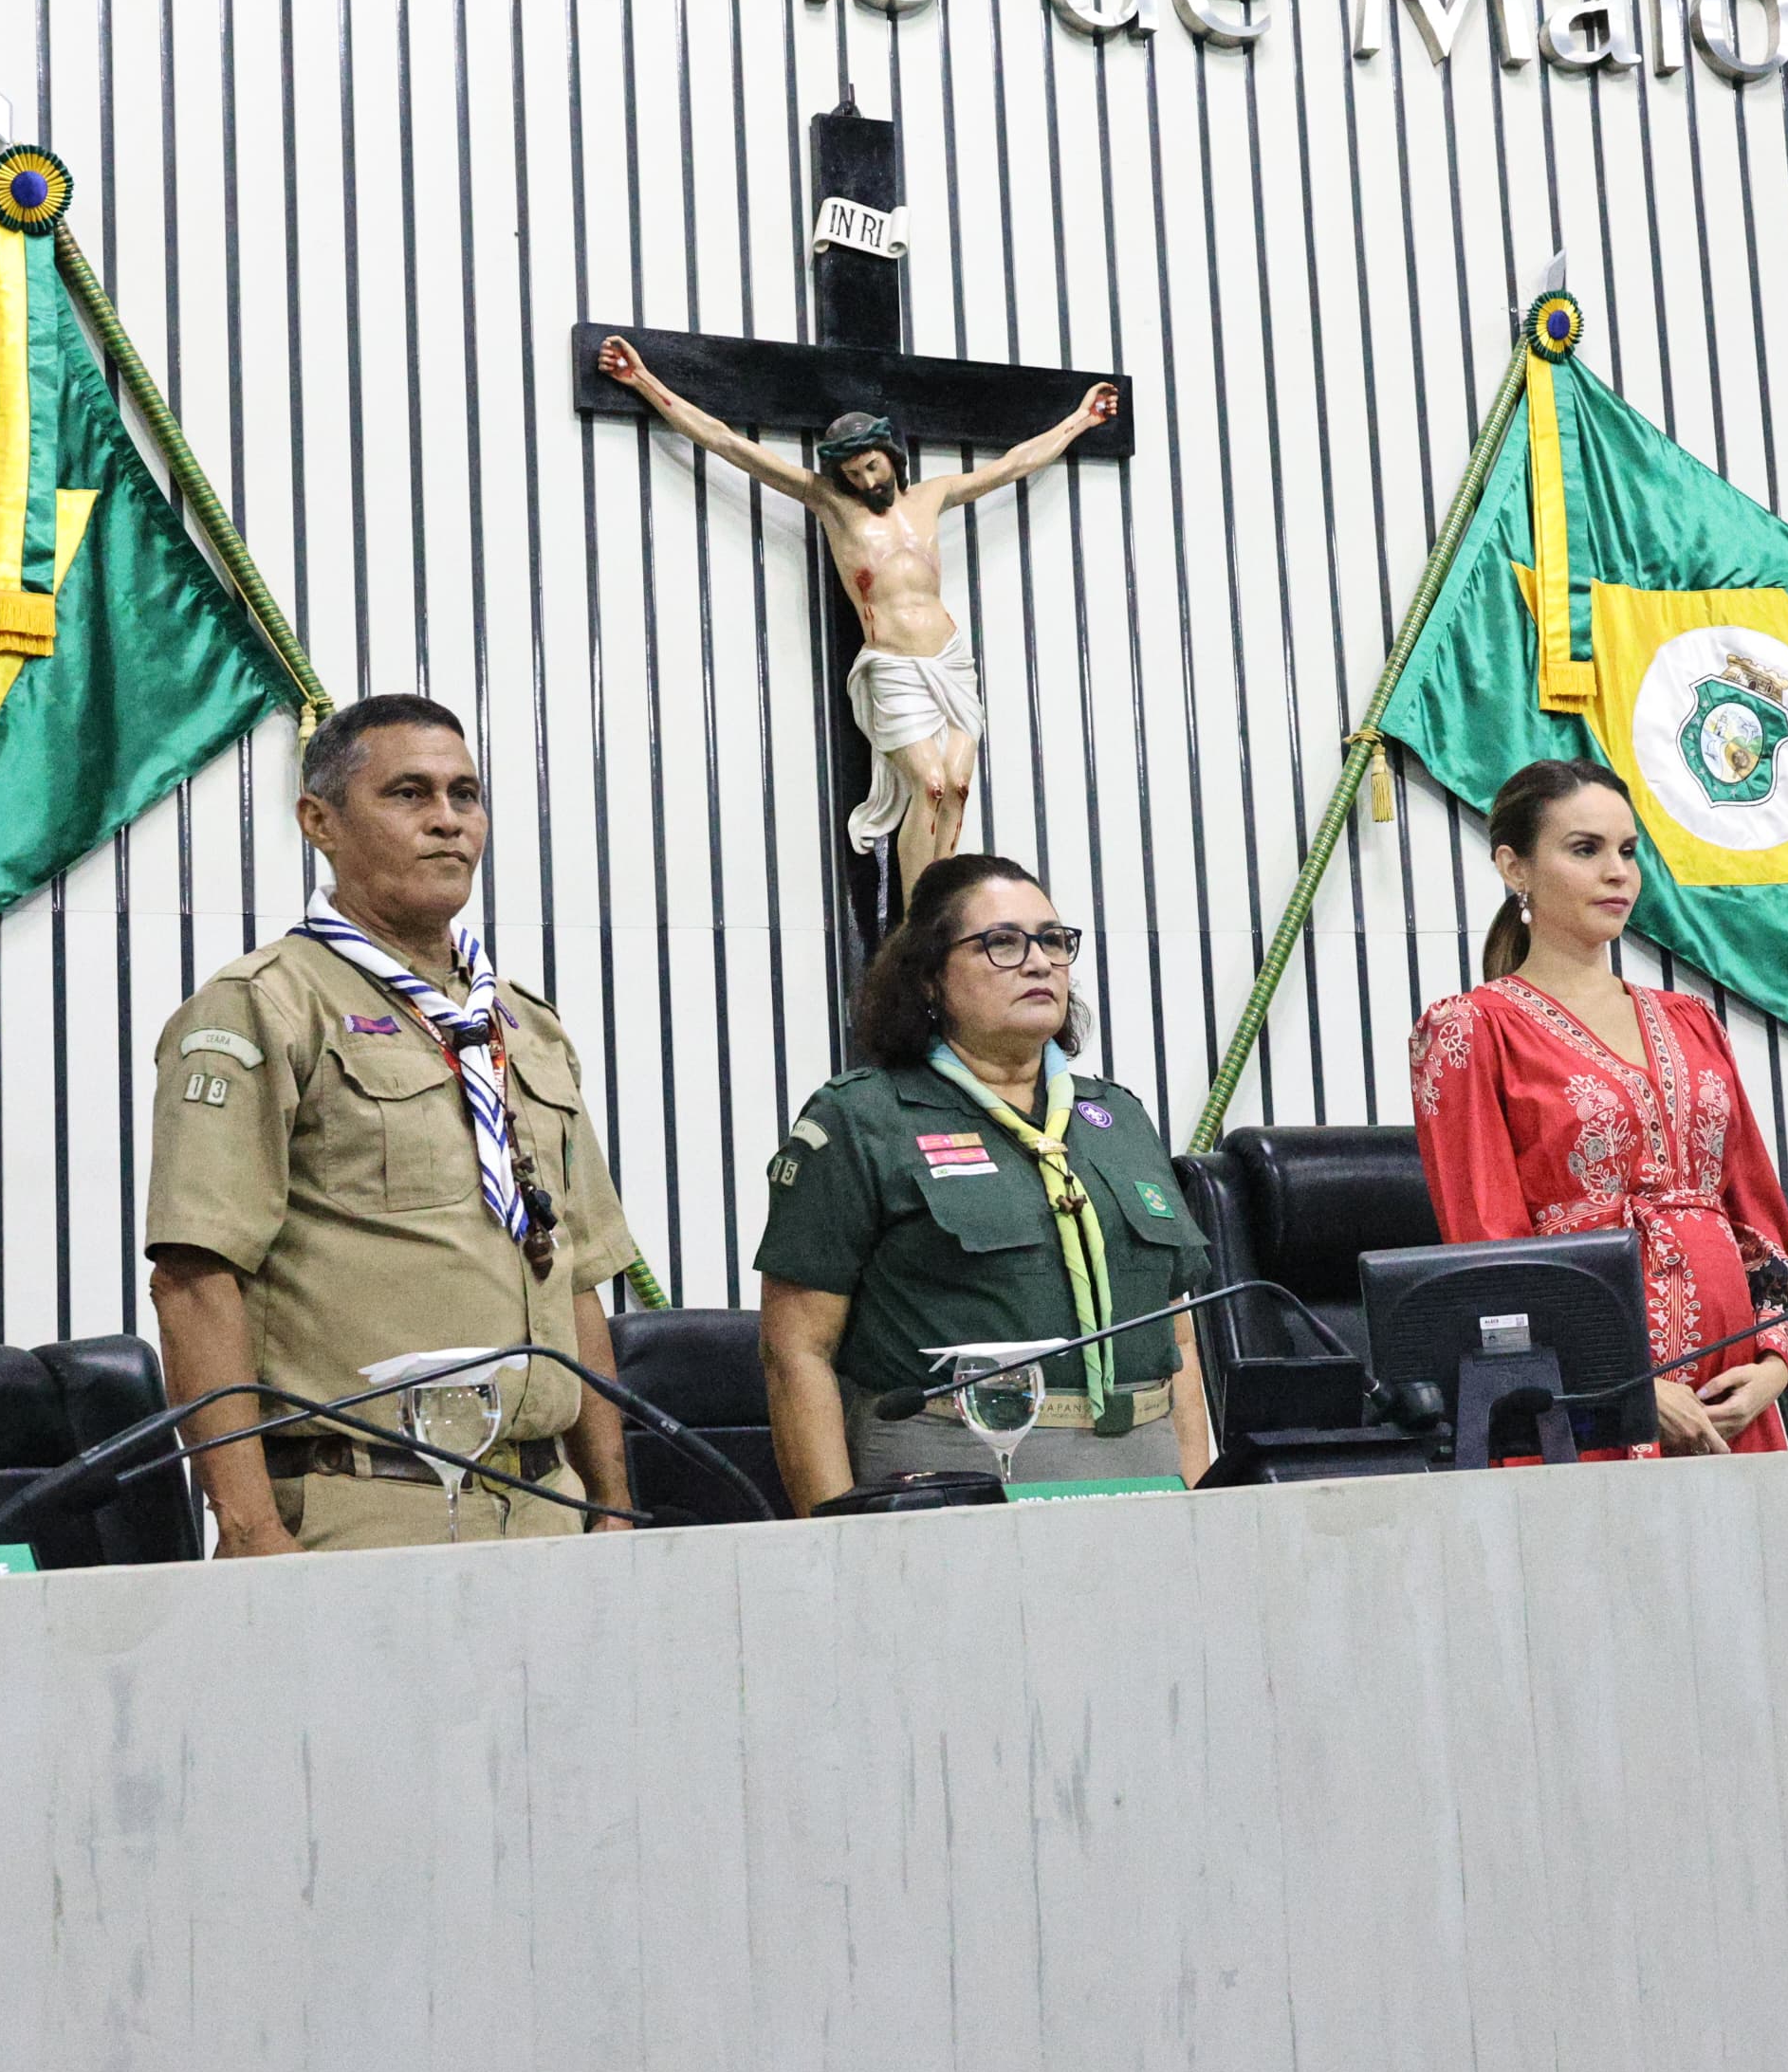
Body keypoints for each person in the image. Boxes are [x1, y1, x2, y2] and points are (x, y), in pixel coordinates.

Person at [141, 694, 644, 1550]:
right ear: (319, 821)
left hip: (546, 1501)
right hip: (366, 1503)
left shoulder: (523, 1025)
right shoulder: (266, 1008)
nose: (448, 821)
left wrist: (612, 1499)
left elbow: (578, 1280)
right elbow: (195, 1281)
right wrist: (253, 1527)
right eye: (409, 794)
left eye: (466, 794)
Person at [752, 854, 1216, 1505]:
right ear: (928, 980)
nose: (1039, 962)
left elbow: (1181, 1337)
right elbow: (796, 1351)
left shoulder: (1120, 1118)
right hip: (952, 1468)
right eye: (1002, 942)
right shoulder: (863, 1119)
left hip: (1143, 1464)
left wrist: (1204, 1502)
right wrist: (835, 1537)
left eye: (1053, 940)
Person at [595, 333, 1118, 898]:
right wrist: (643, 381)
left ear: (891, 455)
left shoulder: (932, 497)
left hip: (949, 659)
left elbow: (1014, 464)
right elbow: (728, 443)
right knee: (934, 784)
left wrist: (1081, 420)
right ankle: (922, 916)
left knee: (960, 786)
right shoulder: (831, 503)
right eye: (854, 474)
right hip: (892, 664)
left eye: (871, 467)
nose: (866, 482)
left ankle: (942, 906)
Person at [1409, 760, 1788, 1455]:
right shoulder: (1471, 1030)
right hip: (1583, 1404)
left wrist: (1772, 1363)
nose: (1618, 872)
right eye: (1585, 849)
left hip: (1731, 1391)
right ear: (1514, 866)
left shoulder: (1692, 1020)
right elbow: (1490, 1256)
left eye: (1628, 851)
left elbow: (1756, 1211)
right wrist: (1625, 1381)